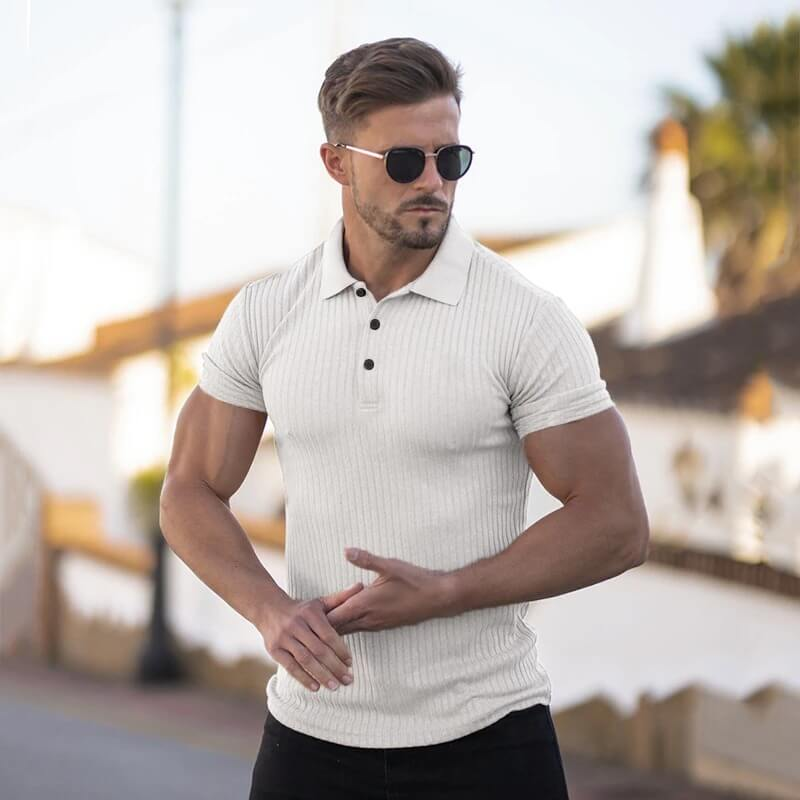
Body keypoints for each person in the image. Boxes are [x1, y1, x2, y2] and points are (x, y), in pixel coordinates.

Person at [159, 36, 650, 800]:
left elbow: (617, 522)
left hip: (489, 743)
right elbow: (188, 490)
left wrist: (448, 592)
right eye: (403, 162)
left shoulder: (525, 319)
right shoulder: (266, 314)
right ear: (336, 163)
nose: (433, 183)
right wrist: (270, 611)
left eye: (449, 159)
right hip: (311, 743)